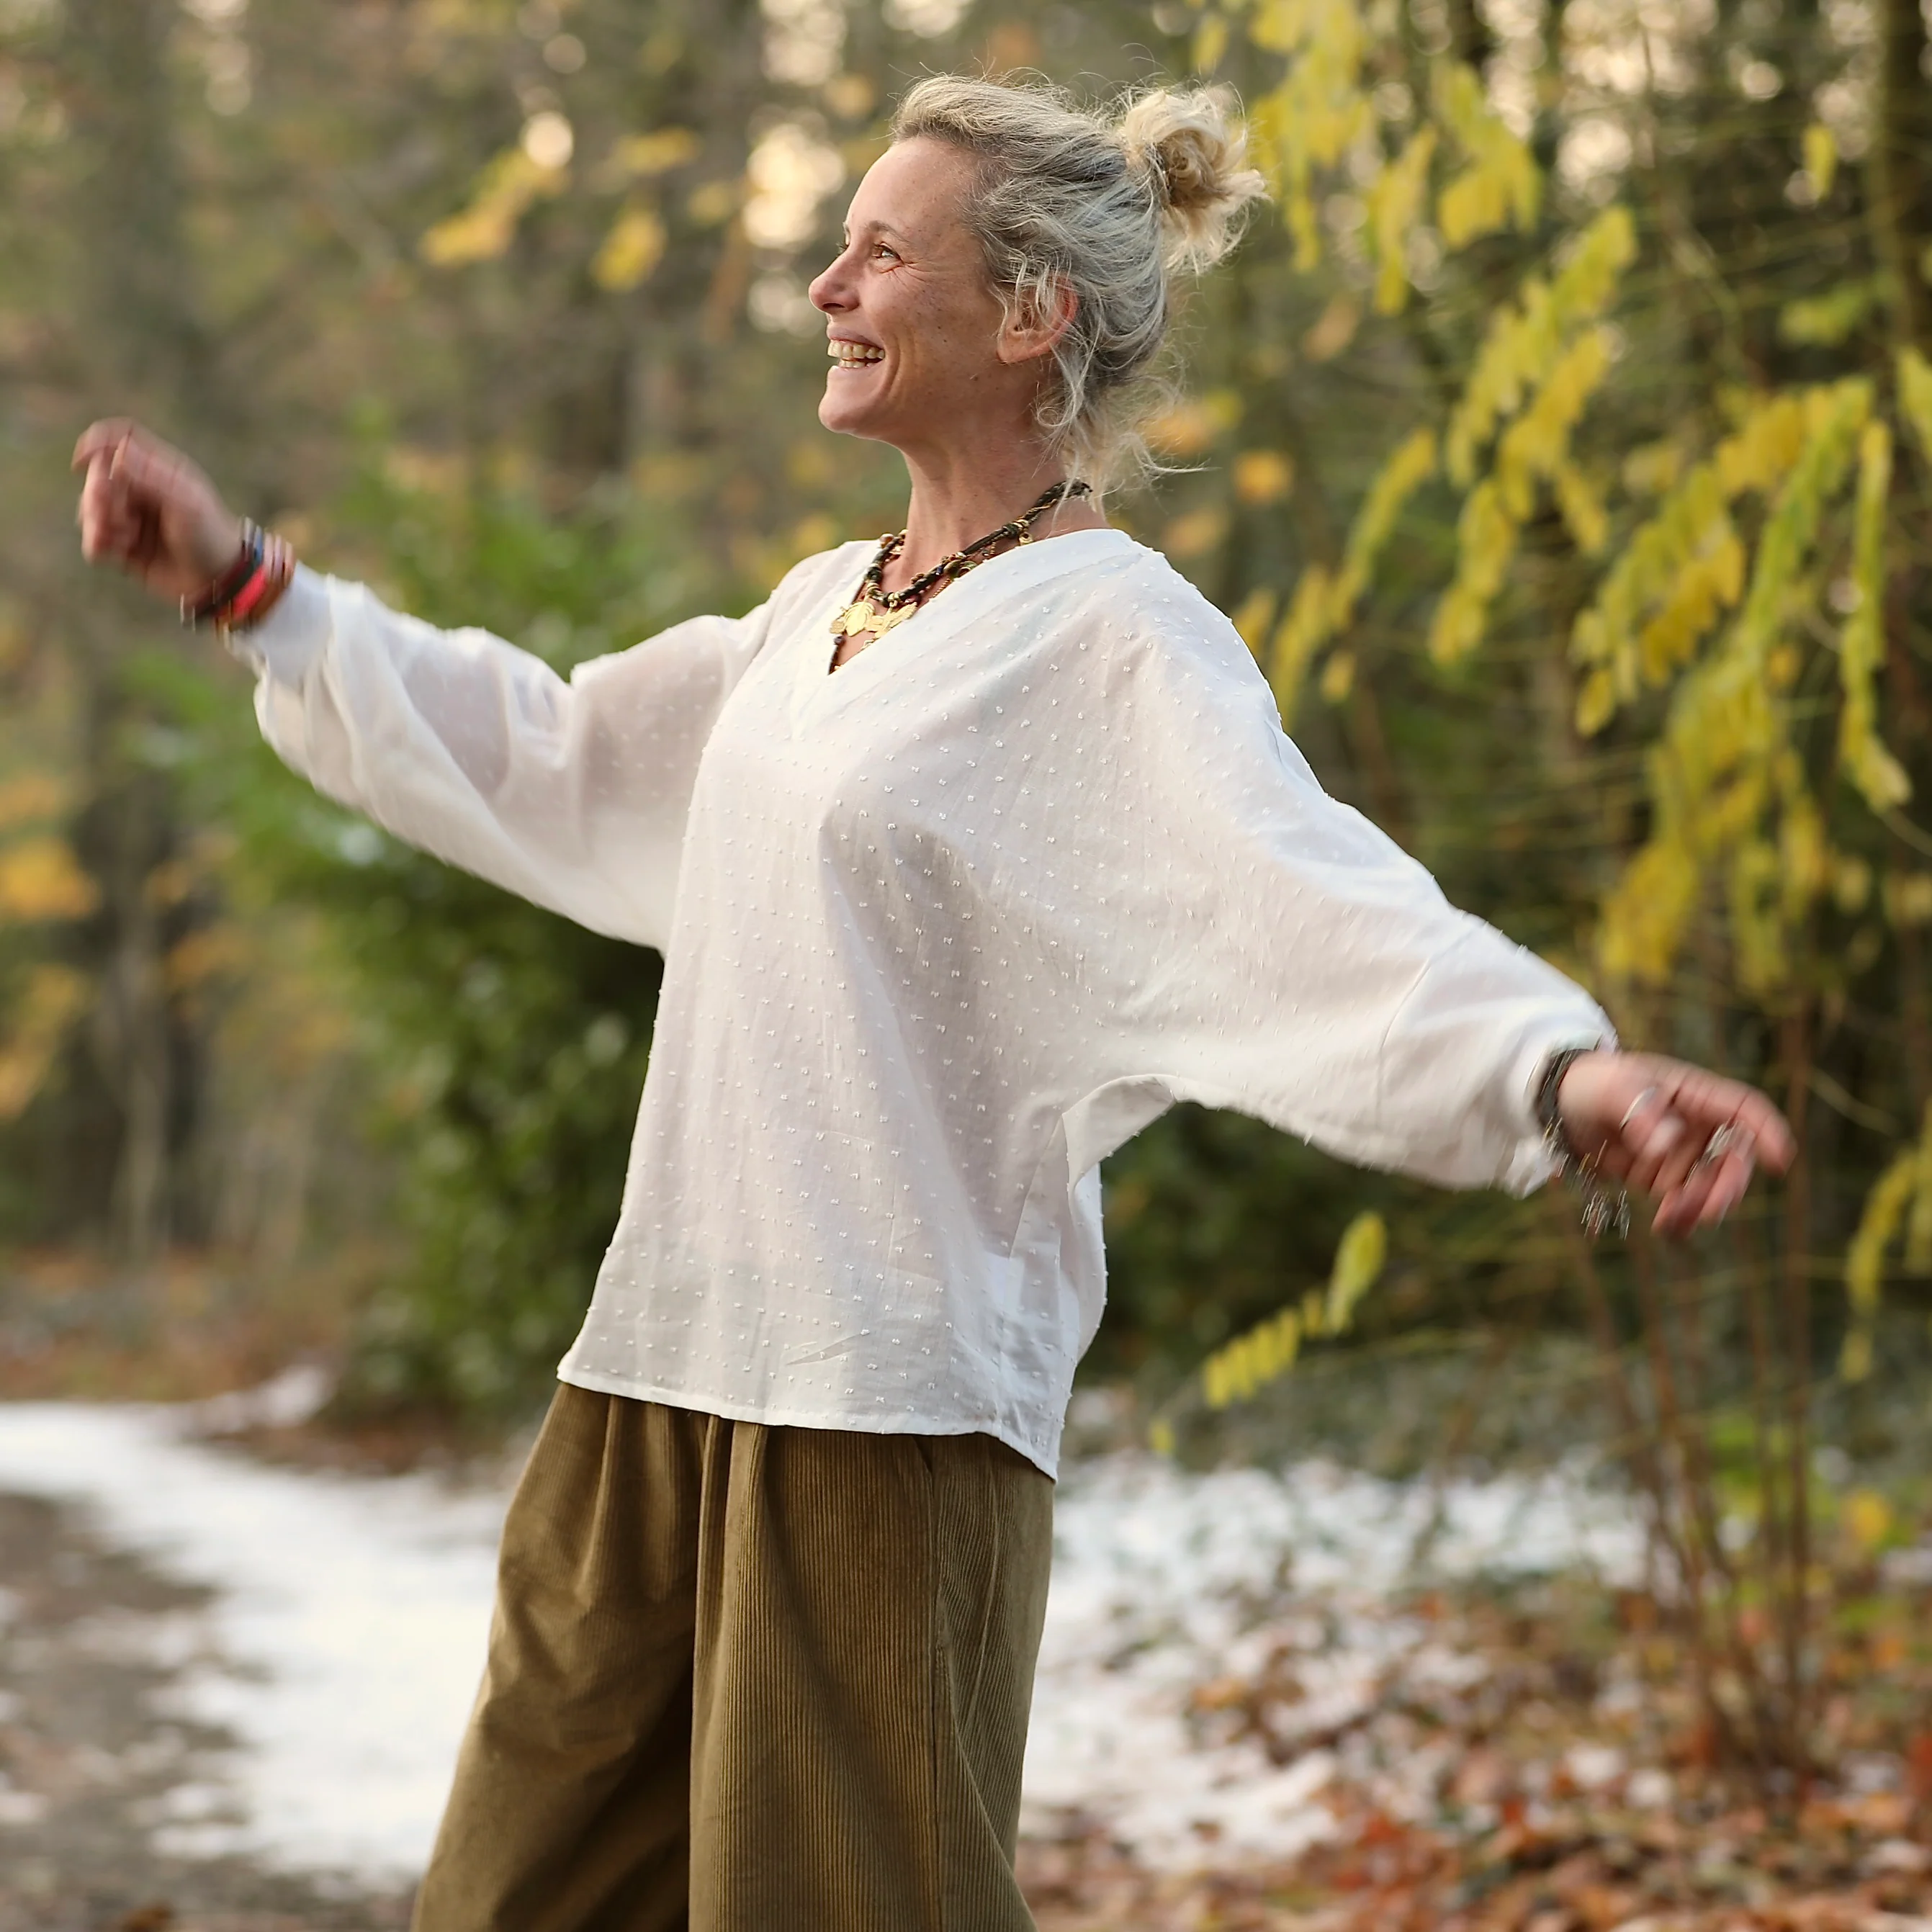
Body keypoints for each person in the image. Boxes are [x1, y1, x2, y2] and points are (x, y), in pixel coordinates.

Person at [74, 72, 1792, 1932]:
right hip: (659, 1375)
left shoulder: (1110, 637)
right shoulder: (823, 611)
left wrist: (1557, 1071)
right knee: (517, 1898)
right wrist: (257, 593)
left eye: (882, 253)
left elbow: (1303, 903)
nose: (828, 286)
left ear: (1031, 313)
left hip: (889, 1428)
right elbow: (560, 758)